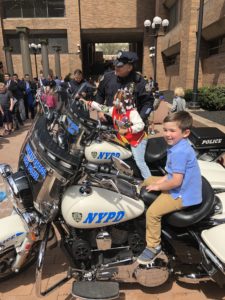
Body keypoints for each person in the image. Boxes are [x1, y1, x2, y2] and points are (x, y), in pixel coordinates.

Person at [137, 111, 202, 264]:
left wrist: (158, 187)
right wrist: (155, 183)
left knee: (153, 213)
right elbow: (170, 174)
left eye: (172, 131)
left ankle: (153, 246)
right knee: (148, 180)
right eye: (165, 130)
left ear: (186, 133)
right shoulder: (177, 146)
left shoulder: (180, 151)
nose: (167, 134)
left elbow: (176, 182)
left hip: (183, 194)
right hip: (177, 185)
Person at [82, 88, 151, 179]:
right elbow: (102, 107)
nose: (114, 102)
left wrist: (128, 130)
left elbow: (141, 125)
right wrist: (89, 102)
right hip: (124, 139)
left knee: (139, 161)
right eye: (114, 99)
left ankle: (150, 182)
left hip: (137, 140)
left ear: (123, 102)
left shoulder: (132, 112)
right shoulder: (114, 110)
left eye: (116, 100)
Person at [95, 51, 154, 124]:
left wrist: (139, 120)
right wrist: (99, 110)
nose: (116, 67)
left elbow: (148, 103)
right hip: (109, 122)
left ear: (129, 67)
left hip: (131, 126)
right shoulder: (107, 78)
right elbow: (99, 94)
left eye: (120, 66)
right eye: (115, 64)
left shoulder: (140, 82)